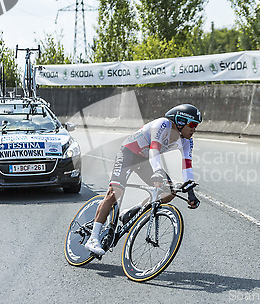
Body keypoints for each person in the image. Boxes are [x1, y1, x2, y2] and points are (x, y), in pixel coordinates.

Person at [85, 104, 202, 255]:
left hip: (145, 161)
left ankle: (132, 210)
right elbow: (154, 149)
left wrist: (190, 191)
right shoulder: (163, 124)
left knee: (169, 192)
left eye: (196, 125)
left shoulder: (187, 141)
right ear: (180, 122)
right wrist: (158, 171)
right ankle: (93, 238)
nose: (194, 129)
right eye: (192, 124)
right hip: (129, 153)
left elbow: (187, 166)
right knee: (116, 193)